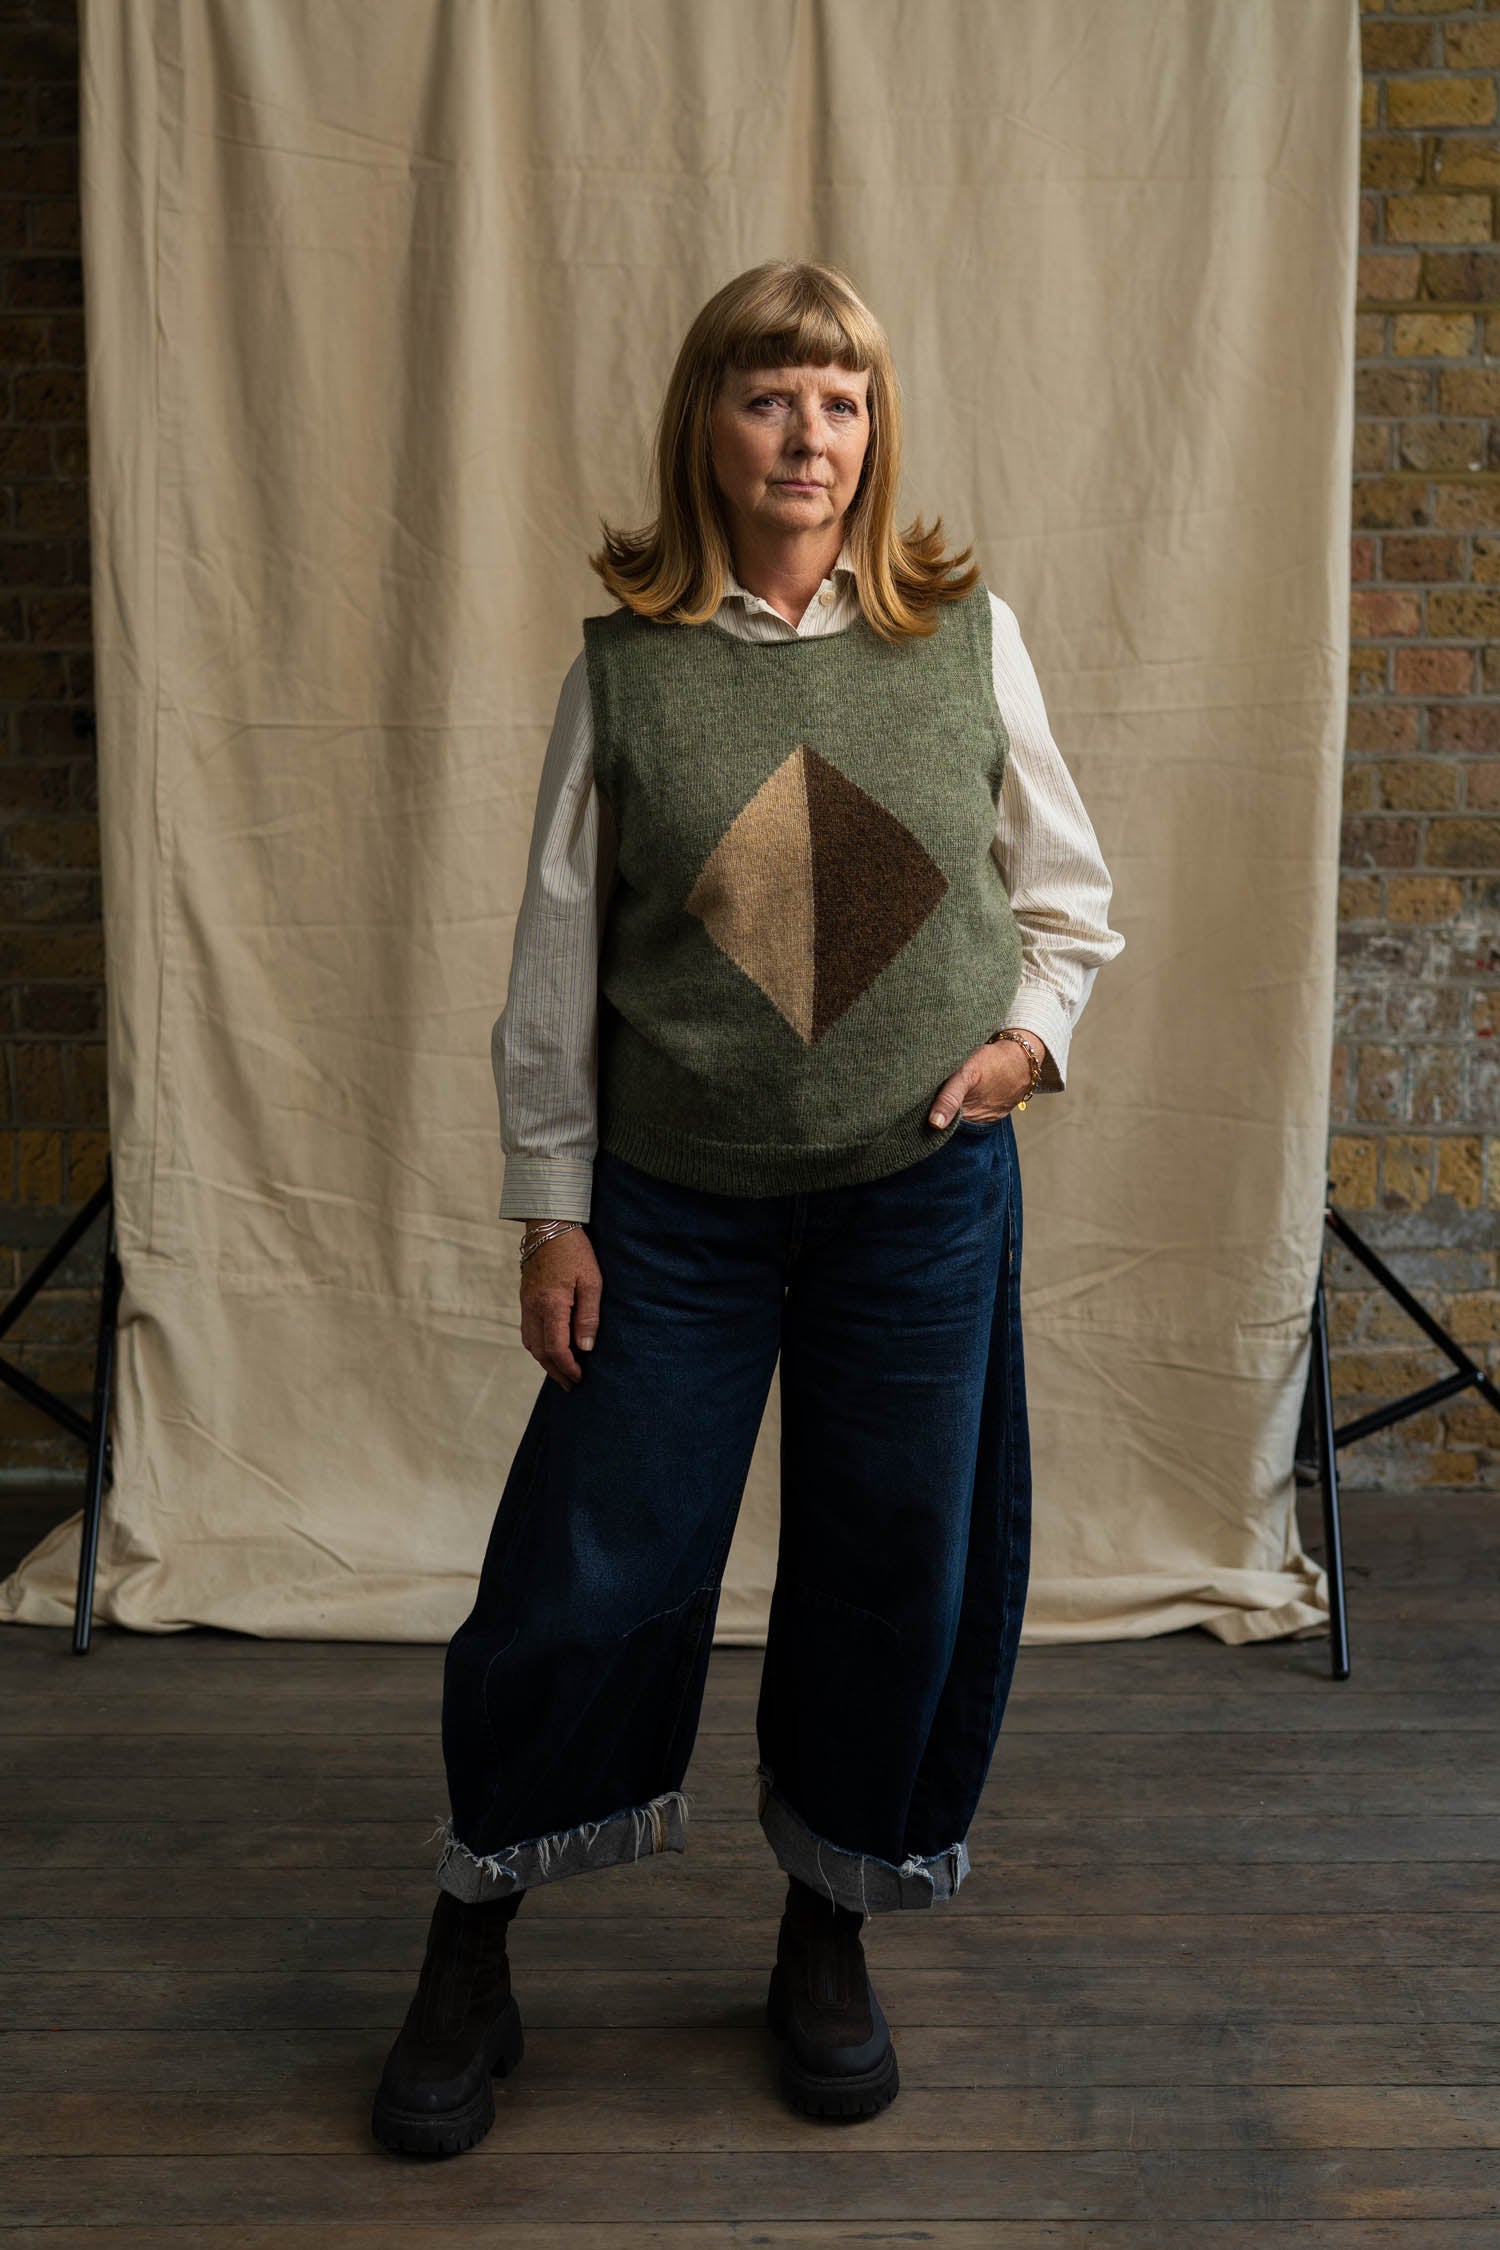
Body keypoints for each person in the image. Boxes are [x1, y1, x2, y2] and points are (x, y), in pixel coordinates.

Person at [372, 258, 1125, 2157]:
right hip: (675, 1210)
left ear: (879, 436)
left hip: (918, 1201)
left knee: (899, 1561)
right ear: (707, 424)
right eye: (774, 397)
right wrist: (554, 1207)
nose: (813, 436)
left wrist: (1028, 1044)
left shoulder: (964, 636)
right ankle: (474, 1929)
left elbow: (1067, 895)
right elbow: (555, 968)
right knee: (589, 1565)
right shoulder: (625, 667)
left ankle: (827, 1923)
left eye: (846, 402)